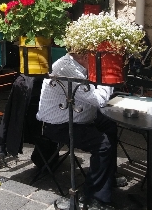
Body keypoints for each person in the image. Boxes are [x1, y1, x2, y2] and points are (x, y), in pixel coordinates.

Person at [37, 53, 126, 209]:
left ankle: (107, 179)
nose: (99, 59)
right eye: (97, 56)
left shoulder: (78, 64)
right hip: (59, 125)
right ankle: (94, 197)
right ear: (85, 56)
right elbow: (100, 100)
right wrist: (107, 75)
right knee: (103, 145)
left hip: (78, 117)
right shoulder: (67, 68)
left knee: (109, 125)